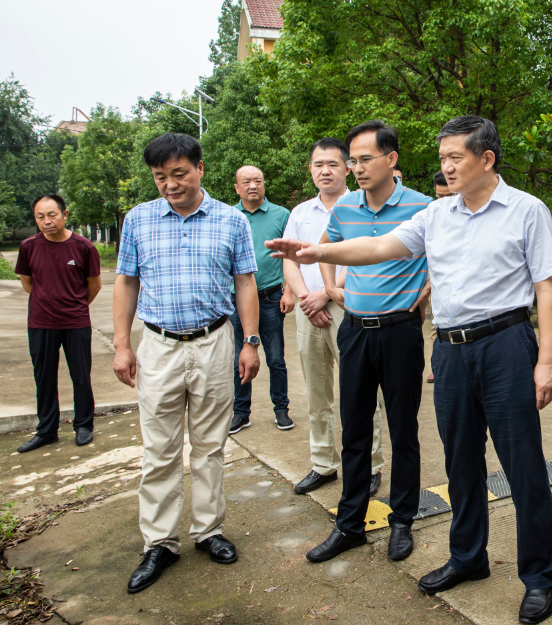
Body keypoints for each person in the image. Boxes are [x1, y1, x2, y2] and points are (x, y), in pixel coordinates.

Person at [268, 115, 552, 625]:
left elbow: (546, 287)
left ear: (486, 159)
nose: (445, 166)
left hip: (506, 346)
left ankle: (539, 575)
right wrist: (318, 251)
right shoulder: (437, 215)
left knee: (523, 465)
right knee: (460, 462)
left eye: (455, 157)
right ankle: (468, 557)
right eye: (443, 156)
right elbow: (379, 247)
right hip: (450, 349)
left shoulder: (525, 210)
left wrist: (547, 361)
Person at [112, 133, 261, 594]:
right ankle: (159, 542)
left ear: (199, 168)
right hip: (157, 346)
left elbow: (245, 284)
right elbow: (125, 283)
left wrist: (250, 341)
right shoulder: (138, 220)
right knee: (159, 448)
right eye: (161, 177)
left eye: (179, 174)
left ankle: (208, 531)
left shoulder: (231, 220)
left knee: (209, 445)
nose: (170, 185)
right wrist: (123, 343)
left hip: (214, 342)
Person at [285, 120, 430, 566]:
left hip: (400, 332)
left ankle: (402, 520)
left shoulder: (423, 207)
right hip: (355, 330)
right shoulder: (345, 208)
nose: (357, 168)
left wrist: (423, 294)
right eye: (353, 160)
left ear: (392, 159)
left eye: (366, 159)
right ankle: (349, 525)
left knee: (403, 430)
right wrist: (331, 289)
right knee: (355, 430)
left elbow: (443, 259)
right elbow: (328, 246)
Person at [282, 138, 385, 496]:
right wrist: (304, 298)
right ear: (310, 170)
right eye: (317, 165)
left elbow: (365, 256)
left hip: (349, 307)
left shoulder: (361, 208)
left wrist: (325, 293)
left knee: (360, 391)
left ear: (347, 168)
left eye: (332, 164)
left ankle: (371, 465)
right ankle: (323, 463)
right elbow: (289, 260)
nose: (324, 171)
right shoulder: (299, 213)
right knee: (316, 392)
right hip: (307, 312)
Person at [14, 195, 101, 452]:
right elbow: (27, 283)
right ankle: (47, 431)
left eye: (52, 215)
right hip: (41, 323)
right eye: (40, 216)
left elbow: (94, 286)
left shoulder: (84, 247)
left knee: (81, 376)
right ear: (35, 219)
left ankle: (83, 425)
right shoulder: (28, 246)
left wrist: (73, 305)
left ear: (64, 215)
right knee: (44, 378)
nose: (46, 221)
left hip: (76, 322)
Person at [228, 165, 295, 434]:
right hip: (235, 301)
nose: (252, 185)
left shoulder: (281, 214)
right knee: (238, 359)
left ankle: (281, 409)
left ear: (264, 184)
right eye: (246, 181)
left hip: (269, 297)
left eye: (258, 180)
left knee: (276, 358)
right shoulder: (229, 215)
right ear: (237, 187)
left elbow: (290, 255)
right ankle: (241, 412)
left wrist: (288, 291)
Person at [425, 170, 456, 383]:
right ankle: (438, 366)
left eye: (449, 196)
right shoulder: (431, 214)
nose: (444, 201)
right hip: (437, 284)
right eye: (440, 196)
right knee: (438, 325)